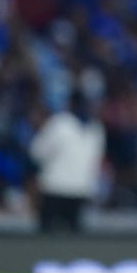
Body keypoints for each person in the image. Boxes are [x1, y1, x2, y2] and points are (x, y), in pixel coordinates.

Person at [29, 92, 105, 233]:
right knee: (48, 237)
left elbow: (37, 152)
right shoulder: (61, 123)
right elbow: (37, 152)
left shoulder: (95, 128)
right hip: (57, 189)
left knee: (71, 242)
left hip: (75, 190)